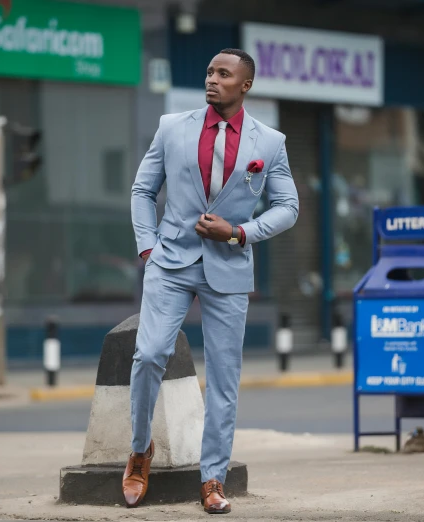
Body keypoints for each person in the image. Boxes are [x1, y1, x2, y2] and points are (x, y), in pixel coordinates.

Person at [124, 48, 299, 514]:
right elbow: (143, 190)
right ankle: (140, 450)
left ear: (245, 85)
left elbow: (288, 207)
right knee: (149, 355)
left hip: (229, 266)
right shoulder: (171, 128)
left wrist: (241, 232)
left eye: (224, 74)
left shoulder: (270, 142)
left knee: (224, 377)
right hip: (171, 261)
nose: (212, 79)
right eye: (209, 72)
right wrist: (148, 247)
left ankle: (212, 476)